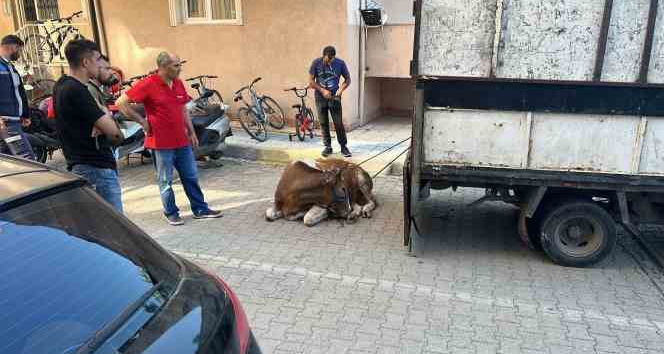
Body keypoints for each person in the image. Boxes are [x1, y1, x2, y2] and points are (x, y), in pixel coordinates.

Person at [116, 51, 222, 226]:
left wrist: (192, 132)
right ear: (163, 67)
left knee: (191, 176)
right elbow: (121, 103)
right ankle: (171, 212)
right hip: (160, 143)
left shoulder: (178, 84)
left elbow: (183, 109)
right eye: (176, 65)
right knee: (165, 180)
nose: (180, 69)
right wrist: (142, 121)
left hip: (182, 141)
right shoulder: (148, 83)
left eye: (180, 65)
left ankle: (200, 209)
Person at [53, 39, 125, 212]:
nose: (101, 64)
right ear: (86, 62)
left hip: (81, 165)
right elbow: (114, 134)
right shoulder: (78, 90)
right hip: (96, 169)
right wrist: (106, 116)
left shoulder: (61, 85)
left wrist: (102, 121)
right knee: (115, 229)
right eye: (98, 59)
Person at [309, 45, 352, 157]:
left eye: (331, 60)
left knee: (338, 123)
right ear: (324, 56)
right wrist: (322, 91)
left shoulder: (340, 63)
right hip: (320, 97)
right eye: (328, 60)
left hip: (335, 97)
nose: (329, 62)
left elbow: (348, 79)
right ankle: (328, 147)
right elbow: (311, 82)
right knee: (323, 123)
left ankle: (343, 147)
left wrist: (341, 89)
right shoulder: (316, 63)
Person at [0, 35, 35, 160]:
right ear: (12, 47)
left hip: (12, 120)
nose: (19, 53)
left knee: (10, 164)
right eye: (19, 50)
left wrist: (25, 114)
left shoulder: (9, 66)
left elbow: (18, 91)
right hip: (7, 123)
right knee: (27, 161)